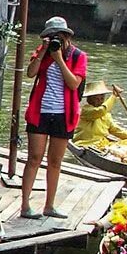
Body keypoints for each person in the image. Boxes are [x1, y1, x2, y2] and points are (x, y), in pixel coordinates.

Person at [19, 16, 88, 219]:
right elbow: (30, 73)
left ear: (67, 36)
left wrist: (59, 59)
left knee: (55, 161)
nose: (56, 40)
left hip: (63, 114)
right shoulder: (43, 53)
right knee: (34, 158)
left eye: (59, 36)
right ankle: (24, 205)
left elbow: (74, 84)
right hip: (40, 112)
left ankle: (49, 205)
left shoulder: (78, 56)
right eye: (51, 37)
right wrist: (42, 53)